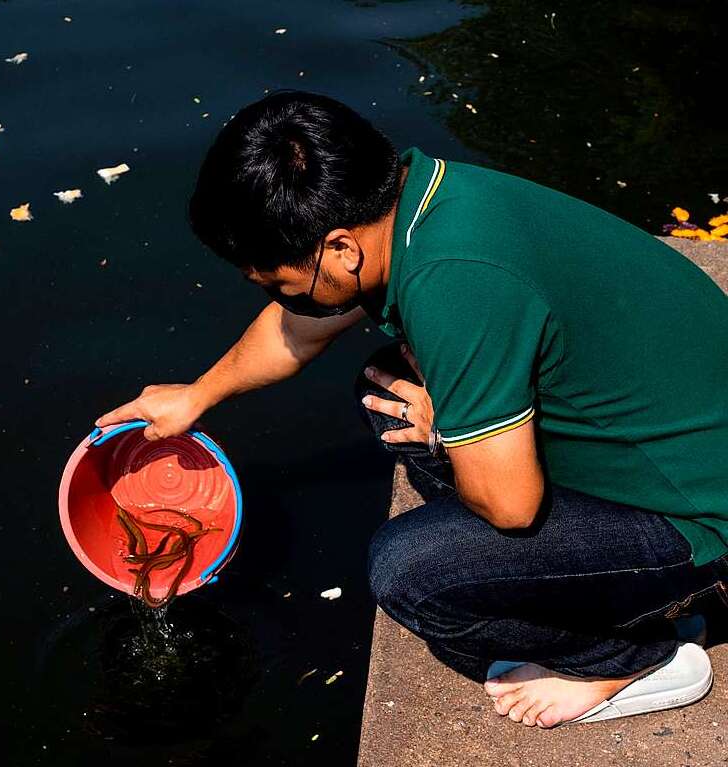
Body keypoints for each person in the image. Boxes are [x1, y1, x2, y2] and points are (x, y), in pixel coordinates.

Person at [93, 89, 728, 728]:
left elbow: (512, 506)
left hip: (701, 513)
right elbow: (299, 330)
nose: (285, 299)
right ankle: (580, 579)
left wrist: (448, 428)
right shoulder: (418, 200)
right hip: (664, 434)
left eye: (284, 282)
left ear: (342, 249)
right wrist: (197, 396)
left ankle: (633, 656)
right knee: (390, 391)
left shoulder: (455, 282)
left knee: (411, 572)